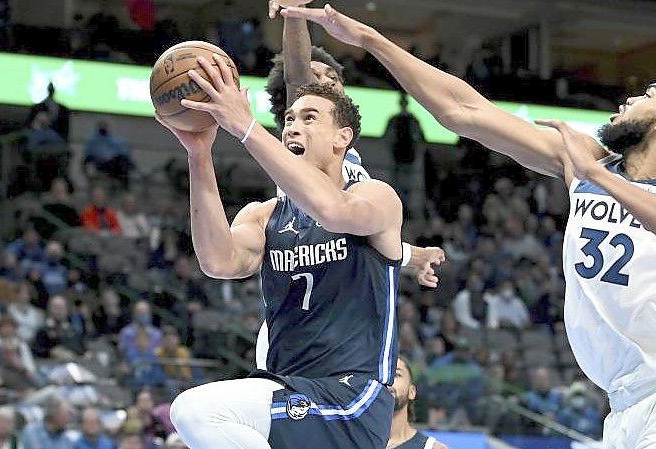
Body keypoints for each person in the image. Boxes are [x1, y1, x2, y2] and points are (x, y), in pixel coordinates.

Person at [284, 4, 656, 447]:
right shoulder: (589, 164)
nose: (632, 95)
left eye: (650, 94)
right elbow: (463, 111)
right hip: (624, 407)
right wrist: (368, 39)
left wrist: (600, 179)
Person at [158, 49, 403, 449]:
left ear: (344, 138)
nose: (293, 126)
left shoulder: (375, 196)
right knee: (196, 418)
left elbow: (334, 212)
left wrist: (246, 126)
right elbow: (219, 261)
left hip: (351, 396)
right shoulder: (264, 215)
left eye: (309, 119)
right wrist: (199, 154)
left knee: (196, 411)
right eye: (289, 119)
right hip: (288, 389)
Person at [266, 0, 444, 288]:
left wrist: (414, 256)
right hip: (302, 306)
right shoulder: (301, 139)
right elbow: (297, 77)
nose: (326, 82)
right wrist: (295, 14)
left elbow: (358, 237)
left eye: (333, 76)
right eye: (316, 77)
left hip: (340, 296)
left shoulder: (347, 154)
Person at [387, 357, 448, 449]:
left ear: (412, 392)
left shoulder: (433, 448)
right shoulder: (358, 442)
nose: (387, 381)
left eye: (396, 374)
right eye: (381, 375)